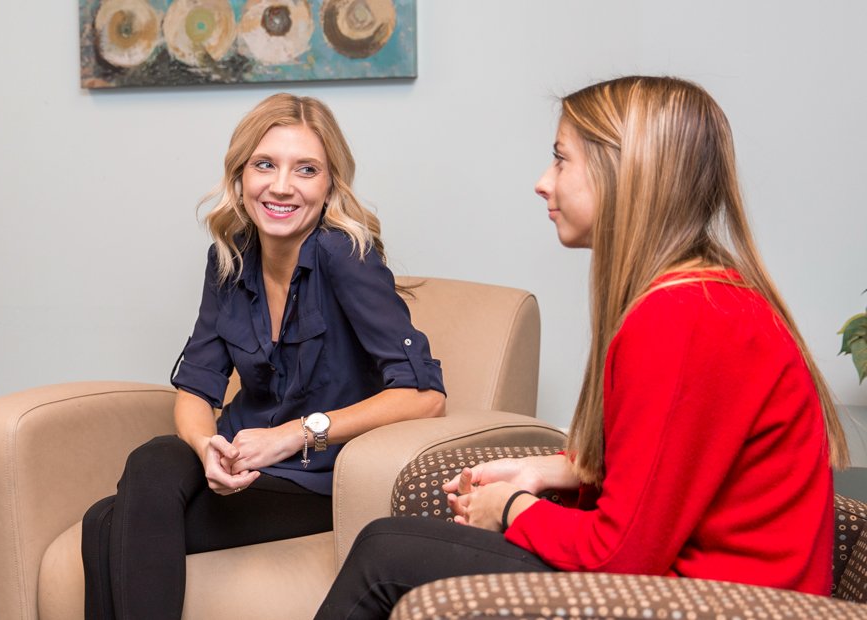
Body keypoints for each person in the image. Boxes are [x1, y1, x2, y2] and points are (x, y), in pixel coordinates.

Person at [314, 75, 848, 619]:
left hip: (722, 605)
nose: (543, 183)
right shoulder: (707, 296)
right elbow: (667, 470)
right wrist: (554, 471)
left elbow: (621, 553)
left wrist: (512, 508)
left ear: (625, 174)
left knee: (387, 554)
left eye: (561, 160)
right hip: (696, 585)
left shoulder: (680, 316)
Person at [80, 93, 447, 619]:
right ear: (240, 175)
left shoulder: (346, 256)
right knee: (155, 457)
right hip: (242, 459)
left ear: (329, 185)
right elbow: (196, 388)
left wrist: (293, 433)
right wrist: (208, 448)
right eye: (265, 165)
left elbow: (425, 397)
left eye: (306, 169)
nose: (281, 186)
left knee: (104, 523)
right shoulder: (229, 258)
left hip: (317, 474)